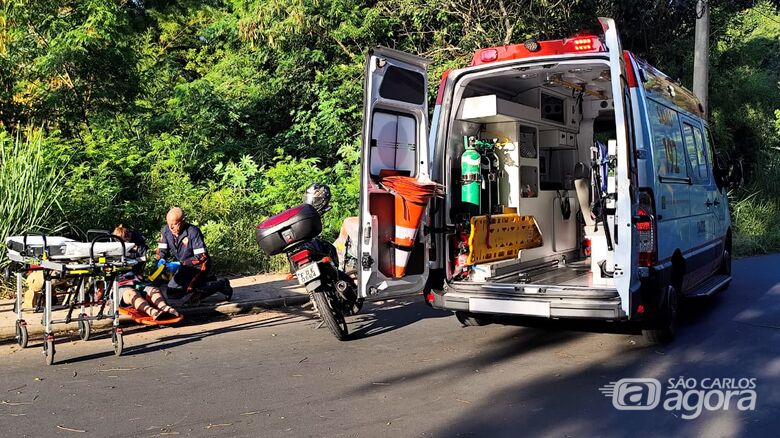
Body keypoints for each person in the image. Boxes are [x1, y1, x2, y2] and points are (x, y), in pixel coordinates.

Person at [156, 207, 232, 303]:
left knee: (190, 296)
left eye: (174, 224)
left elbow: (201, 256)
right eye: (169, 223)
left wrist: (181, 264)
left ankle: (220, 284)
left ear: (183, 221)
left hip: (198, 266)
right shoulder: (166, 230)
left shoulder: (193, 232)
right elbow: (161, 249)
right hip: (183, 267)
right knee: (172, 293)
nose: (171, 228)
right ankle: (204, 283)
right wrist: (160, 260)